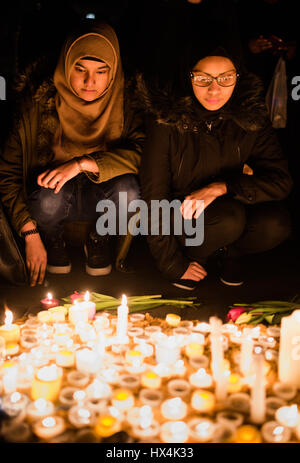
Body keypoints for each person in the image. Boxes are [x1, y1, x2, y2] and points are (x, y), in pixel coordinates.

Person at [0, 22, 143, 287]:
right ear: (66, 66)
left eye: (102, 71)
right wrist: (31, 234)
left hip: (103, 203)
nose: (91, 82)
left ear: (113, 72)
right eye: (80, 69)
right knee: (47, 196)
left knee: (129, 190)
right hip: (49, 208)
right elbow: (7, 172)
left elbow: (142, 155)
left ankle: (98, 240)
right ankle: (55, 241)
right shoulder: (36, 103)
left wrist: (83, 163)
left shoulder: (128, 103)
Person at [138, 44, 293, 290]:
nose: (214, 89)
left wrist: (223, 187)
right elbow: (153, 197)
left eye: (225, 78)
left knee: (276, 224)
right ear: (188, 76)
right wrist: (171, 264)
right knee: (229, 218)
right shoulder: (166, 120)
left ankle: (230, 254)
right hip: (185, 218)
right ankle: (196, 258)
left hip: (232, 207)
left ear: (237, 78)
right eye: (203, 78)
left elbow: (281, 181)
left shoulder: (249, 118)